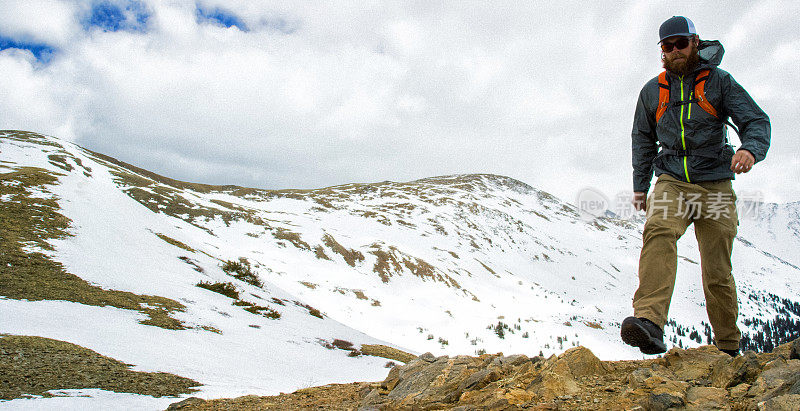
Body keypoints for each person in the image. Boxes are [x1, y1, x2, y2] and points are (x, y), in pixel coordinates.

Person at [621, 16, 771, 356]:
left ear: (695, 42)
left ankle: (728, 347)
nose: (674, 51)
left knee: (717, 270)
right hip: (672, 180)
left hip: (715, 184)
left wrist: (750, 149)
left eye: (680, 43)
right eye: (667, 46)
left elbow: (756, 120)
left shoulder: (719, 82)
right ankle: (649, 322)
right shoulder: (652, 91)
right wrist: (640, 186)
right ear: (661, 51)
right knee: (658, 230)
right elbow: (642, 140)